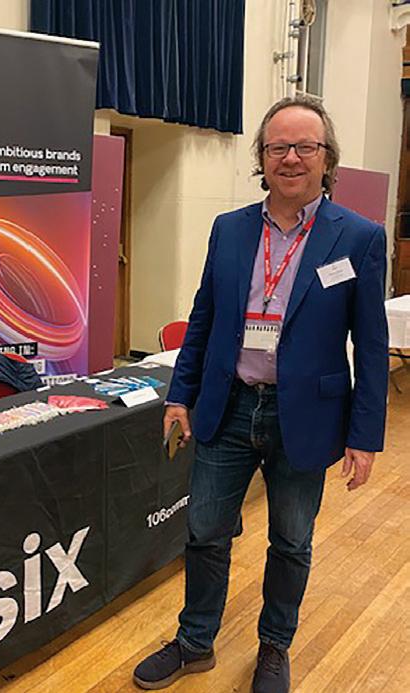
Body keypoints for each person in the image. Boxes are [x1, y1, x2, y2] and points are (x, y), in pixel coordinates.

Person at [133, 94, 389, 693]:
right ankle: (194, 642)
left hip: (307, 417)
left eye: (305, 146)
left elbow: (372, 345)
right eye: (278, 147)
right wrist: (180, 394)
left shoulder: (359, 237)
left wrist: (364, 436)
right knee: (204, 530)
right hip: (228, 407)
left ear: (327, 158)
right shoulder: (230, 230)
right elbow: (203, 319)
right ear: (262, 157)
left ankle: (274, 647)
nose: (291, 158)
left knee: (291, 541)